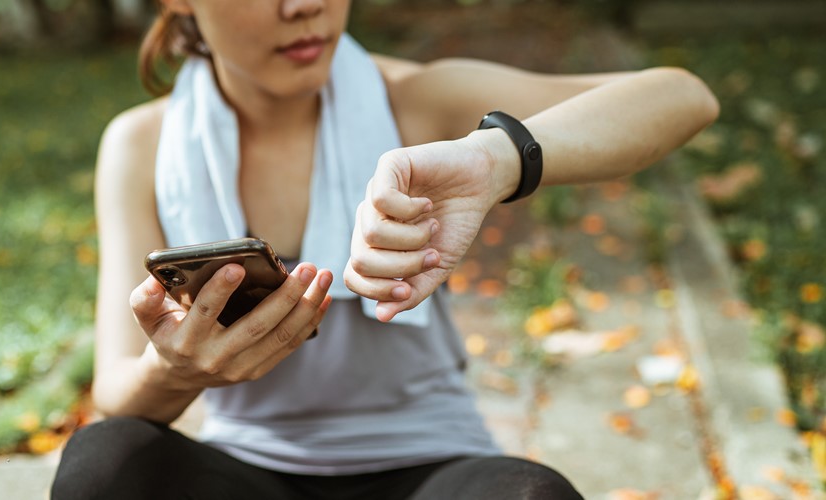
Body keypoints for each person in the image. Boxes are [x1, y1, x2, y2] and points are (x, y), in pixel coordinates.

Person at [51, 0, 719, 498]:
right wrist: (178, 372)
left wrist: (496, 158)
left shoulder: (418, 102)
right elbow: (117, 391)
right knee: (104, 463)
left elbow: (682, 97)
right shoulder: (142, 147)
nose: (303, 6)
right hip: (248, 471)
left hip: (430, 468)